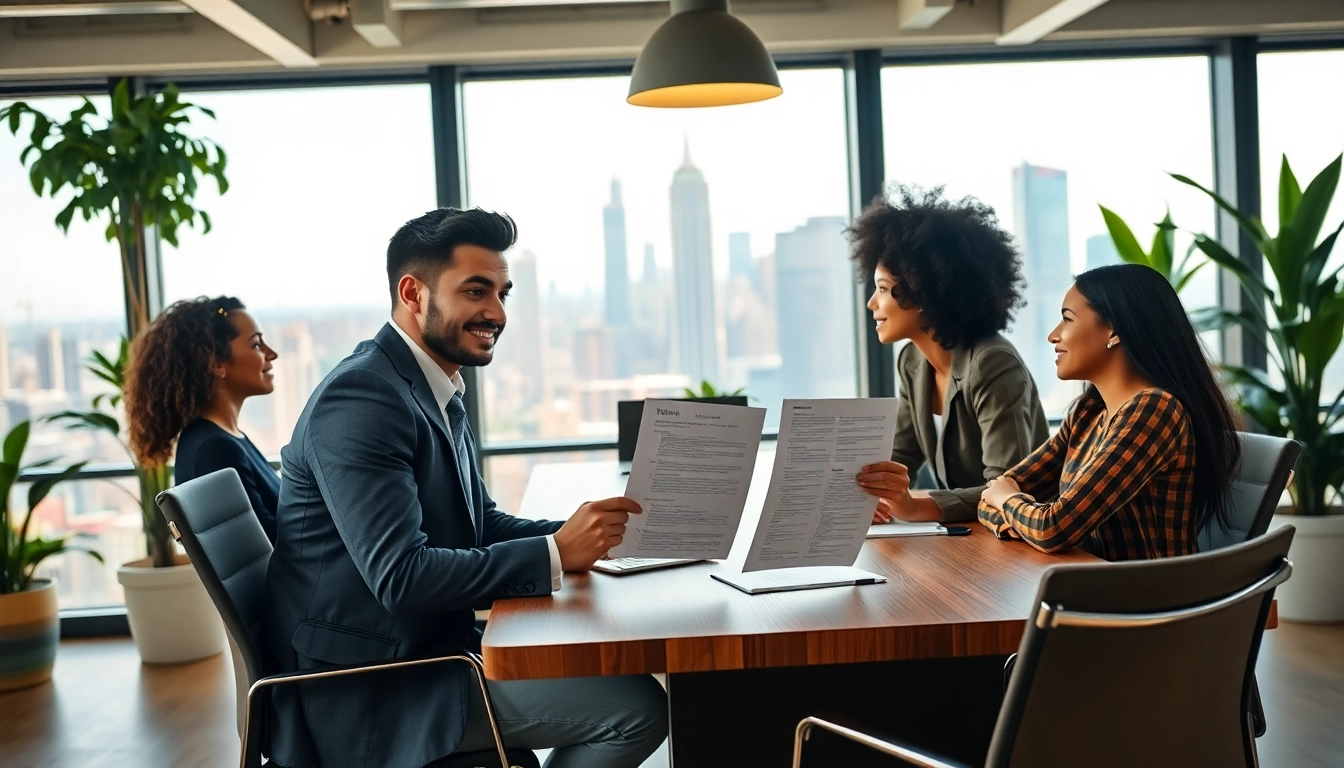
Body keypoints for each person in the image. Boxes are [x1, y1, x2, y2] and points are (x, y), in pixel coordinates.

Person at [264, 208, 667, 768]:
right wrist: (555, 552)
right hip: (368, 689)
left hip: (425, 655)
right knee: (637, 707)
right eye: (476, 291)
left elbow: (478, 523)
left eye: (502, 294)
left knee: (619, 681)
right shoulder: (361, 399)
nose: (497, 313)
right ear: (413, 293)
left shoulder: (431, 385)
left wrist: (584, 537)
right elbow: (401, 576)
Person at [978, 263, 1241, 561]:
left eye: (1067, 319)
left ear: (1113, 330)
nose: (1053, 335)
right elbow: (988, 498)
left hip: (1147, 588)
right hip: (1093, 577)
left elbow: (1052, 528)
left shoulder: (1156, 411)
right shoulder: (1088, 413)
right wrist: (1016, 513)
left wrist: (1008, 500)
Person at [849, 186, 1050, 524]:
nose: (872, 303)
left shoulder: (993, 363)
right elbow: (900, 456)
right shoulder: (912, 361)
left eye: (882, 289)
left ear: (921, 291)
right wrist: (869, 496)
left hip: (1023, 538)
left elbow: (1008, 488)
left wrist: (914, 507)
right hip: (967, 534)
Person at [125, 296, 280, 543]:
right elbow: (272, 546)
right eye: (256, 345)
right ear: (217, 363)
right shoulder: (215, 449)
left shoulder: (224, 439)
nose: (272, 354)